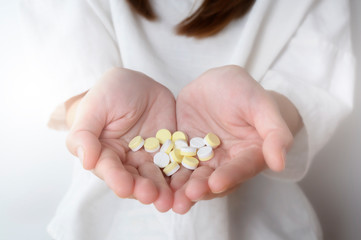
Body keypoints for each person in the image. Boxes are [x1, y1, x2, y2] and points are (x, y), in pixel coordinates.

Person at [21, 0, 355, 239]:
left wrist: (266, 110)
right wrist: (89, 110)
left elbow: (313, 81)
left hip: (262, 223)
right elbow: (66, 62)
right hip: (106, 224)